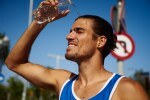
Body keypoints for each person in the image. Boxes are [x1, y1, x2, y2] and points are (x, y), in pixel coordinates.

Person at [5, 0, 149, 100]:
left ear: (100, 41)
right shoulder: (63, 82)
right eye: (70, 31)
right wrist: (40, 21)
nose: (69, 36)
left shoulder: (126, 88)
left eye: (79, 31)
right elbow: (14, 63)